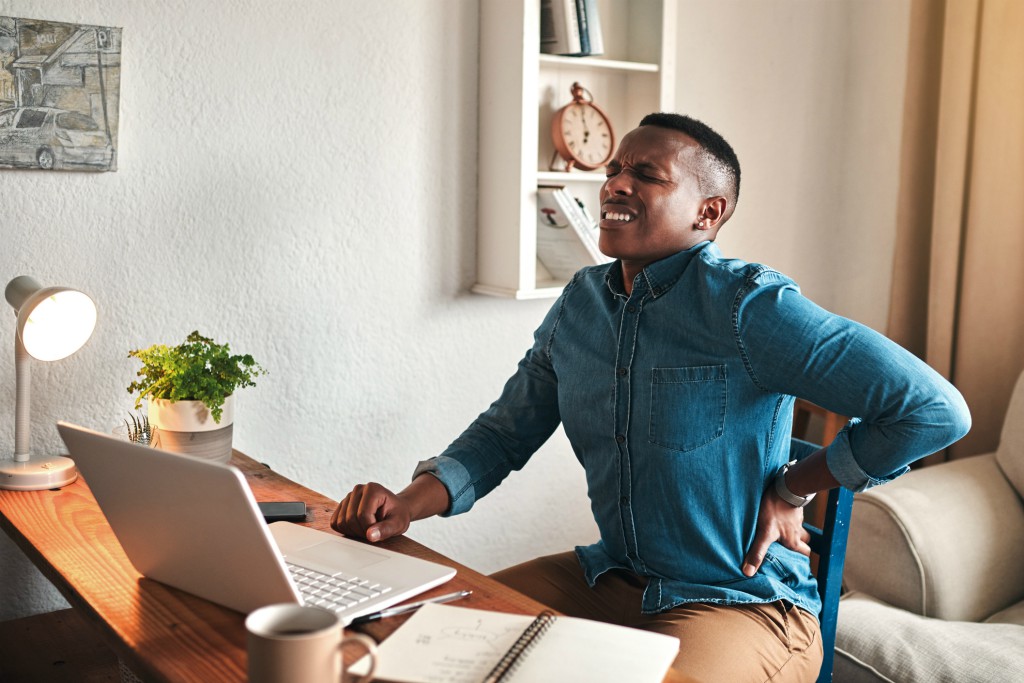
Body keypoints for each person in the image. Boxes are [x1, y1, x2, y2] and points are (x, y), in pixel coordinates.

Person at [331, 113, 971, 681]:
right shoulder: (581, 303)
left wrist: (795, 484)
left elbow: (933, 409)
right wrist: (407, 505)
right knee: (401, 638)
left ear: (709, 213)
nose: (614, 184)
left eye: (647, 174)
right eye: (614, 170)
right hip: (610, 580)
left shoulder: (752, 307)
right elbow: (505, 432)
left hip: (740, 603)